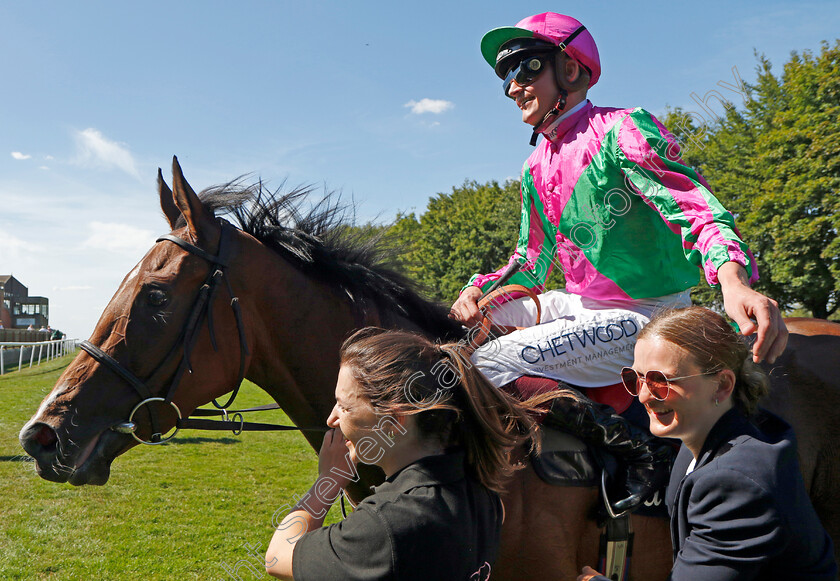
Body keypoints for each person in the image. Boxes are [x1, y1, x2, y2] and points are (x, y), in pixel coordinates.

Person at [449, 11, 788, 513]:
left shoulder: (623, 128)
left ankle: (639, 451)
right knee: (461, 334)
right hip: (578, 304)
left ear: (569, 69)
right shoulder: (535, 164)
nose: (512, 88)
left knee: (486, 363)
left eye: (524, 69)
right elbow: (532, 258)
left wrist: (733, 282)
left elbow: (694, 206)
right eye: (505, 76)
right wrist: (480, 289)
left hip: (648, 316)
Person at [265, 327, 552, 581]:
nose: (332, 419)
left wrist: (329, 479)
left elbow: (277, 557)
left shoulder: (386, 524)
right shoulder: (483, 494)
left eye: (345, 406)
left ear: (394, 422)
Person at [579, 306, 836, 580]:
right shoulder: (696, 447)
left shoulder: (735, 483)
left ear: (722, 385)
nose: (643, 396)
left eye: (661, 380)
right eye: (636, 379)